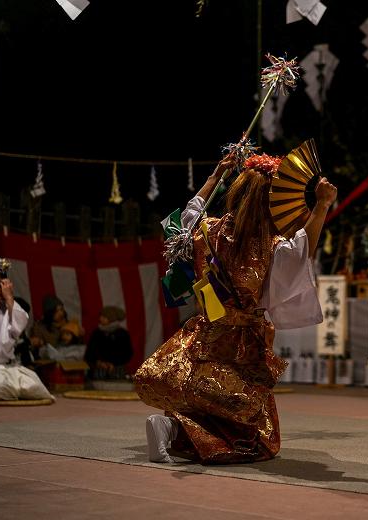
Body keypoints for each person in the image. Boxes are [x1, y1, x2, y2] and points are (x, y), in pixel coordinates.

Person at [135, 151, 336, 464]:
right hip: (242, 342)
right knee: (255, 436)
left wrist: (213, 179)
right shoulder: (270, 246)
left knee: (205, 401)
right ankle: (172, 429)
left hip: (204, 332)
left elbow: (179, 229)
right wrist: (322, 205)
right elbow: (301, 254)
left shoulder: (207, 231)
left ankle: (171, 427)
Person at [0, 257, 53, 401]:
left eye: (4, 285)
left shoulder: (7, 308)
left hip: (5, 368)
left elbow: (20, 323)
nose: (2, 289)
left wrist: (10, 299)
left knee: (35, 386)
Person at [84, 306, 133, 380]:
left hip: (117, 371)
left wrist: (114, 363)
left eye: (104, 317)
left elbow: (127, 353)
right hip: (97, 372)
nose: (100, 319)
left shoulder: (122, 334)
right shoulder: (97, 333)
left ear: (111, 319)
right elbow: (89, 353)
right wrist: (98, 362)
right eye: (101, 316)